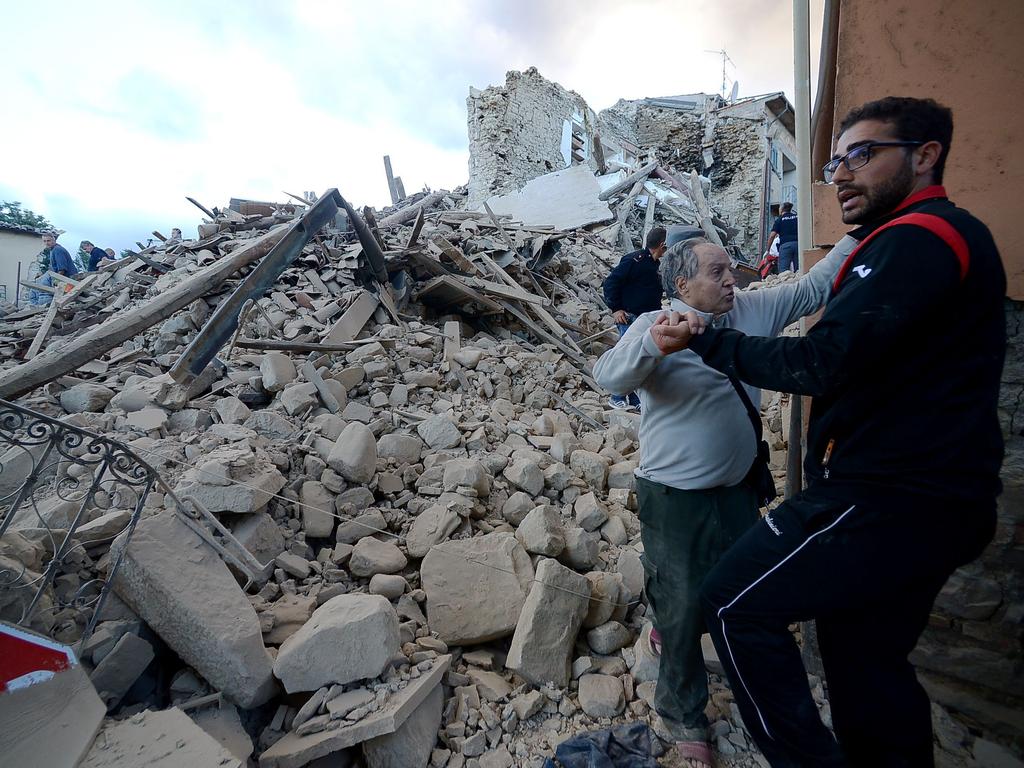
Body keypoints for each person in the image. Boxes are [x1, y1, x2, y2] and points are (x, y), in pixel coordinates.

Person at [657, 96, 1004, 767]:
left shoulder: (919, 240)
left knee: (731, 604)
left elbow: (821, 357)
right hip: (925, 494)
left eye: (864, 155)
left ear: (925, 156)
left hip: (887, 494)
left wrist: (709, 343)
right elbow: (619, 368)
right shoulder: (904, 240)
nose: (842, 174)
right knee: (864, 658)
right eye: (836, 161)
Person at [592, 231, 856, 766]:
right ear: (682, 283)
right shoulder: (654, 325)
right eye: (717, 273)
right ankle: (683, 710)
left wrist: (863, 229)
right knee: (687, 602)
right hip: (674, 497)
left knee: (737, 589)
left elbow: (816, 287)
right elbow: (606, 376)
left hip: (738, 489)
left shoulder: (752, 309)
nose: (732, 278)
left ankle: (692, 637)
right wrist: (652, 347)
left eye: (730, 268)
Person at [602, 227, 668, 409]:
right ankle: (617, 396)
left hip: (647, 319)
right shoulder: (634, 261)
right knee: (627, 358)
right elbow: (610, 283)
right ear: (662, 245)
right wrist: (616, 309)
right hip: (629, 319)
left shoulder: (655, 266)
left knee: (642, 359)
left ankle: (636, 399)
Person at [765, 202, 799, 272]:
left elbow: (772, 236)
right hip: (798, 244)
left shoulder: (779, 220)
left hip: (785, 246)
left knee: (783, 271)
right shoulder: (797, 217)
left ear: (781, 209)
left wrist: (767, 250)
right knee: (799, 270)